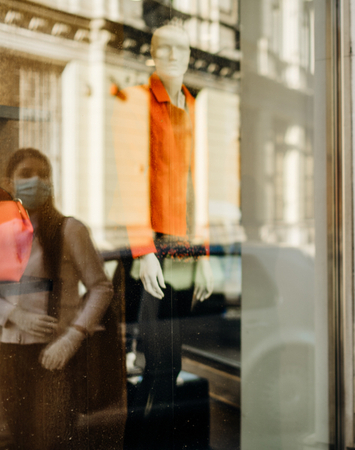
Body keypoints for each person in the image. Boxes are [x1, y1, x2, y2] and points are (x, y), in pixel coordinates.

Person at [112, 24, 213, 449]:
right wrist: (143, 249)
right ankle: (139, 443)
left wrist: (204, 254)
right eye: (163, 48)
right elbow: (129, 179)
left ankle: (159, 442)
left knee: (171, 362)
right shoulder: (137, 101)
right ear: (153, 54)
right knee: (155, 363)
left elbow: (197, 188)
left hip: (182, 249)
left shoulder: (193, 105)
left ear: (190, 56)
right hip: (152, 248)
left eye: (180, 49)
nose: (172, 55)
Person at [0, 148, 114, 449]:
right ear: (9, 183)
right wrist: (15, 315)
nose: (36, 180)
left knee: (50, 440)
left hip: (55, 356)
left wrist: (72, 338)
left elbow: (101, 288)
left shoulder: (70, 230)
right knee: (18, 439)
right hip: (8, 354)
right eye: (26, 174)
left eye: (43, 174)